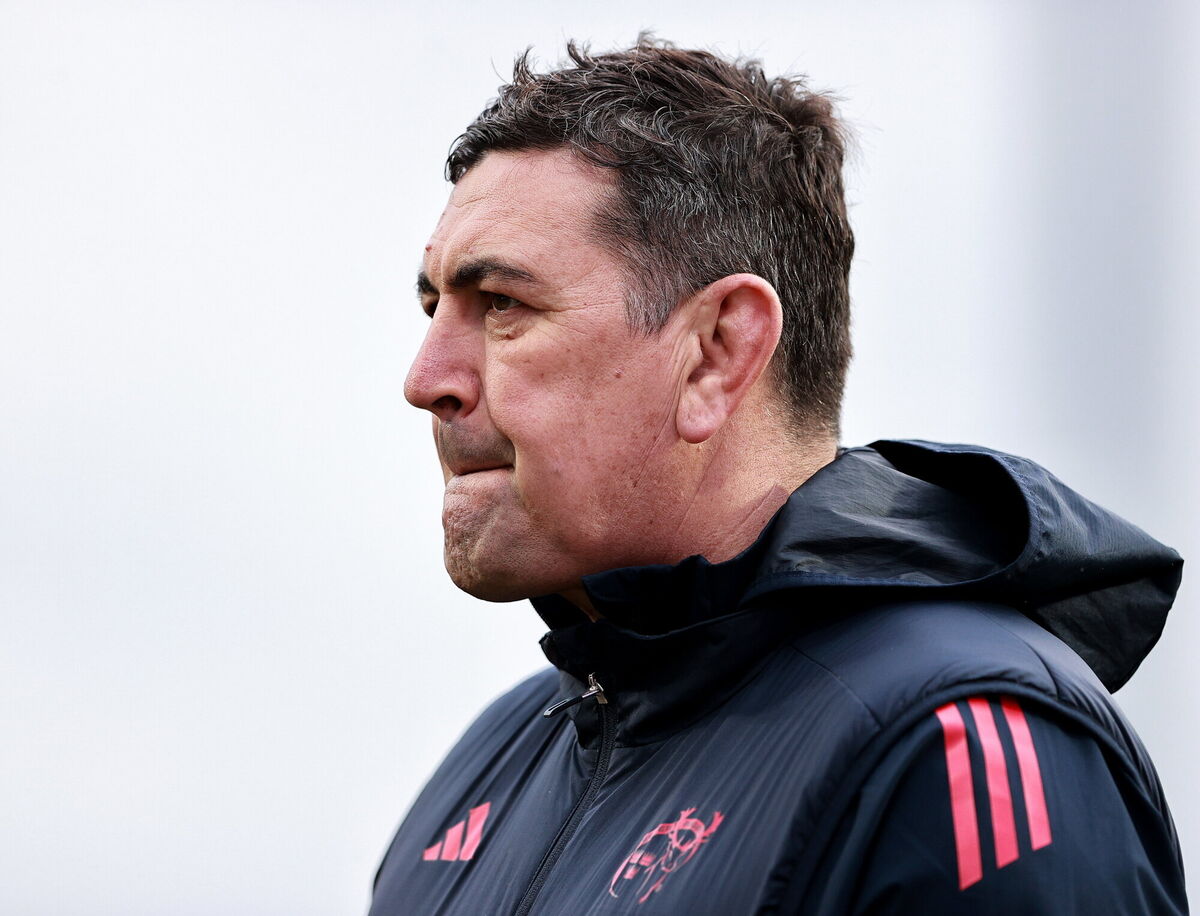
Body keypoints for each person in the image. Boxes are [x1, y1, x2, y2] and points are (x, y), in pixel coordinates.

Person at [370, 37, 1187, 915]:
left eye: (502, 305)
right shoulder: (477, 780)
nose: (426, 380)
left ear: (718, 353)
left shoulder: (951, 744)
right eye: (433, 306)